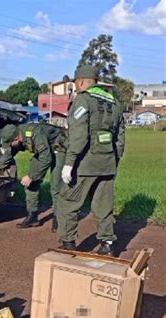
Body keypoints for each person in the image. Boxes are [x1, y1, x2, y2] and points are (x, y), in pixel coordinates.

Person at [57, 65, 125, 255]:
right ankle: (107, 244)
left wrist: (69, 163)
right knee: (104, 205)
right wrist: (114, 161)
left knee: (67, 202)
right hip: (107, 163)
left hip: (85, 164)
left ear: (80, 81)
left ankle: (68, 243)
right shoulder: (115, 103)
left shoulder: (83, 100)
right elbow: (120, 139)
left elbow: (79, 136)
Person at [16, 122, 68, 231]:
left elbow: (46, 158)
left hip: (59, 147)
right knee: (31, 183)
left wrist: (31, 175)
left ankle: (59, 217)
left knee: (56, 186)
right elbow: (9, 153)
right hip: (45, 151)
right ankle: (32, 215)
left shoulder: (35, 132)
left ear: (16, 138)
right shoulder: (16, 133)